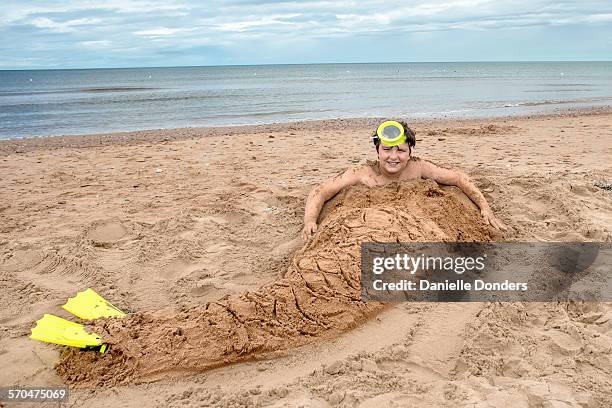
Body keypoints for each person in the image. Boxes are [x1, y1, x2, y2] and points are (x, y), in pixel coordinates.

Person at [302, 120, 506, 239]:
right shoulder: (362, 173)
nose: (393, 156)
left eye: (400, 150)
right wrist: (310, 220)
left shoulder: (418, 167)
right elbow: (320, 191)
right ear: (377, 151)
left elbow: (458, 178)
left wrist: (485, 207)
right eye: (387, 150)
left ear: (409, 152)